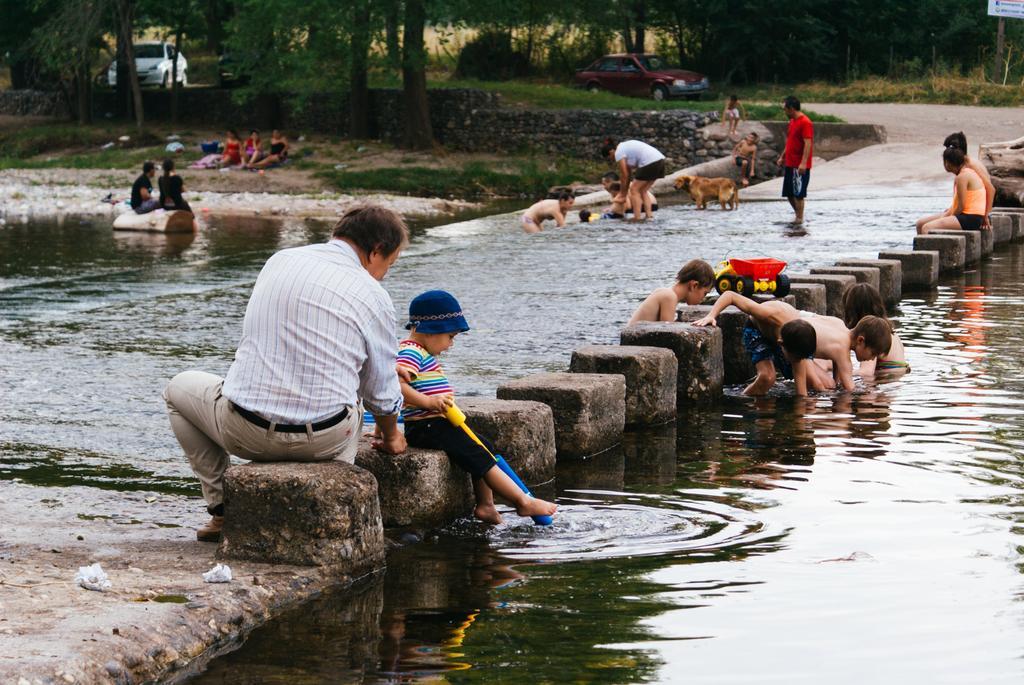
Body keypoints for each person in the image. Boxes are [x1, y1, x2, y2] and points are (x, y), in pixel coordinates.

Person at [162, 205, 410, 542]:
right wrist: (391, 436)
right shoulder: (374, 296)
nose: (382, 275)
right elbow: (380, 392)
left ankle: (222, 510)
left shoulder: (280, 260)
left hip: (245, 432)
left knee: (177, 389)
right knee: (354, 398)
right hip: (325, 441)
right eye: (388, 265)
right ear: (375, 251)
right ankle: (335, 506)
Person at [396, 290, 558, 525]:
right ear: (430, 330)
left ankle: (486, 505)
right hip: (427, 426)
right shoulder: (410, 351)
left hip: (438, 422)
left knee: (484, 447)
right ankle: (522, 502)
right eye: (450, 336)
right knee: (478, 454)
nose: (451, 344)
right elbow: (397, 386)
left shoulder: (420, 351)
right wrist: (429, 402)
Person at [693, 292, 835, 395]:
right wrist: (711, 315)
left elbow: (801, 393)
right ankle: (744, 400)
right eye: (795, 359)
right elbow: (730, 295)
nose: (796, 362)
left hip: (787, 337)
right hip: (757, 332)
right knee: (767, 377)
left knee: (812, 381)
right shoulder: (767, 314)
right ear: (781, 345)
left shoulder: (797, 338)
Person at [778, 315, 891, 396]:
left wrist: (837, 384)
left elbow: (839, 376)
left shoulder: (840, 326)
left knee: (832, 385)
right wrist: (870, 393)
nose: (872, 359)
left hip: (788, 330)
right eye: (873, 354)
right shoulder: (842, 349)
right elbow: (850, 387)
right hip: (792, 346)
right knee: (825, 385)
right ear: (861, 340)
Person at [916, 146, 988, 234]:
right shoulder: (965, 173)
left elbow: (961, 207)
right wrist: (948, 213)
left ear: (947, 163)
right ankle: (922, 248)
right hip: (969, 216)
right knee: (920, 224)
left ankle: (933, 248)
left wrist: (946, 217)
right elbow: (959, 203)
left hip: (971, 218)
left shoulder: (962, 177)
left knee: (927, 227)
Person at [841, 283, 908, 374]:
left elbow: (866, 372)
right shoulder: (889, 331)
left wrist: (842, 373)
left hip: (884, 381)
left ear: (853, 312)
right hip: (896, 381)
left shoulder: (872, 335)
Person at [627, 259, 715, 325]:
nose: (703, 299)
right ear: (694, 285)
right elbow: (668, 333)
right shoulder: (669, 297)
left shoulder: (664, 292)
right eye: (705, 293)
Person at [601, 139, 665, 222]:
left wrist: (622, 195)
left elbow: (624, 175)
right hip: (660, 160)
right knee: (643, 191)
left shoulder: (618, 152)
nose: (612, 160)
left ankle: (637, 217)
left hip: (650, 162)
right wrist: (623, 194)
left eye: (610, 158)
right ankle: (649, 216)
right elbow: (628, 174)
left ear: (611, 152)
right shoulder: (624, 148)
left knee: (634, 190)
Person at [942, 131, 995, 228]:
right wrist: (951, 209)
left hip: (978, 212)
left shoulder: (970, 165)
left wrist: (986, 216)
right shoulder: (963, 166)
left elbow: (990, 189)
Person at [776, 95, 813, 223]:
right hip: (790, 163)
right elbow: (790, 141)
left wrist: (803, 163)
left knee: (799, 194)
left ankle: (799, 218)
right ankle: (798, 215)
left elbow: (808, 143)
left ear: (791, 108)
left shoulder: (805, 122)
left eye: (785, 109)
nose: (784, 112)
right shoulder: (792, 121)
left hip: (800, 165)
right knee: (789, 194)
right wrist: (782, 156)